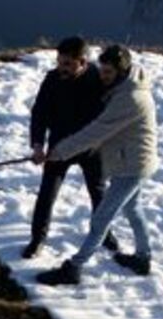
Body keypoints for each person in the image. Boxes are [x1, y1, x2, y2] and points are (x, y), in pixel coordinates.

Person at [36, 44, 158, 287]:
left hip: (132, 167)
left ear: (123, 71)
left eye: (108, 73)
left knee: (100, 220)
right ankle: (143, 258)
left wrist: (59, 152)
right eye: (102, 71)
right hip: (134, 161)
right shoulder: (125, 86)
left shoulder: (131, 98)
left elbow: (96, 131)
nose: (103, 77)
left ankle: (74, 268)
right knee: (133, 210)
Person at [21, 36, 115, 260]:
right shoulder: (52, 79)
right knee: (47, 195)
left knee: (99, 194)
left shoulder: (98, 78)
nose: (60, 68)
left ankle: (105, 233)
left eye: (67, 64)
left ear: (82, 62)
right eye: (59, 62)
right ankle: (38, 239)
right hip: (59, 148)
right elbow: (40, 113)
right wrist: (37, 146)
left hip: (91, 148)